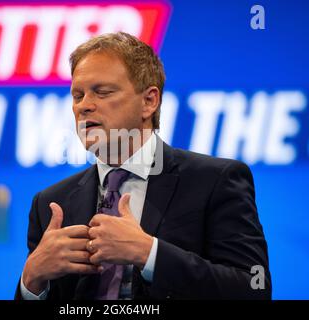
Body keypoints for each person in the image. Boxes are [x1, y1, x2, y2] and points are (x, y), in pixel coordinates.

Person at [14, 32, 271, 300]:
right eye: (77, 95)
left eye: (102, 92)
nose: (84, 106)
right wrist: (32, 280)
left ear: (149, 101)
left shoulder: (214, 181)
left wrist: (149, 253)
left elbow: (253, 289)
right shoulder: (52, 203)